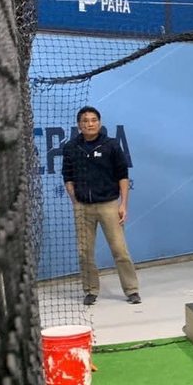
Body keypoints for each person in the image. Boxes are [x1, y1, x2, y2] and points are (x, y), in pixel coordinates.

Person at [62, 106, 141, 306]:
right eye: (85, 120)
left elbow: (123, 176)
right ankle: (90, 290)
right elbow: (67, 177)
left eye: (93, 120)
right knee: (84, 252)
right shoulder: (71, 147)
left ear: (99, 122)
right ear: (79, 125)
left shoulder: (111, 145)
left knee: (120, 250)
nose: (89, 124)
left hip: (109, 205)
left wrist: (123, 204)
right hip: (83, 208)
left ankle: (132, 290)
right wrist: (76, 201)